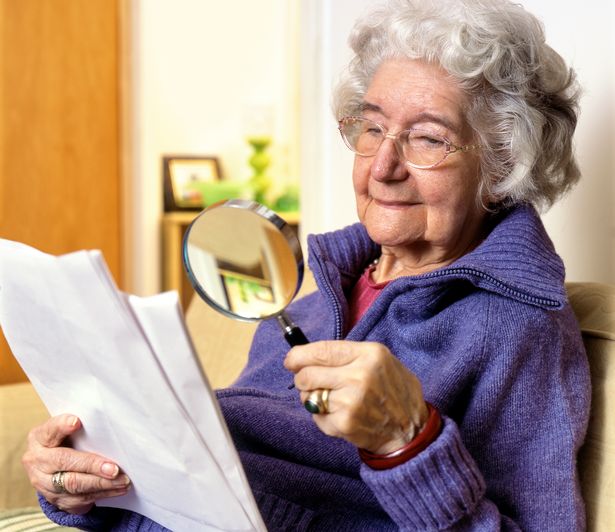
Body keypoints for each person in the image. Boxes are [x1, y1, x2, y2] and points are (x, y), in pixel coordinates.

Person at [22, 0, 590, 529]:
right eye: (371, 128)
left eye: (427, 139)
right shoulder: (311, 301)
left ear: (504, 163)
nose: (384, 166)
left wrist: (406, 441)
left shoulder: (521, 328)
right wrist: (89, 484)